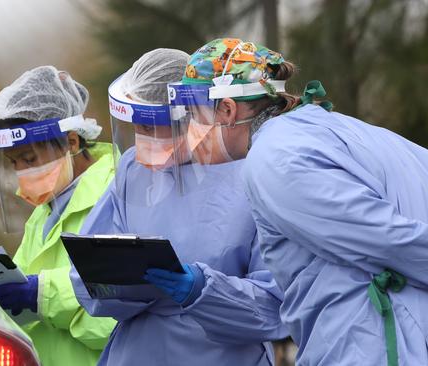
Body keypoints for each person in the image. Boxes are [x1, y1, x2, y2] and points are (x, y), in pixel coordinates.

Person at [173, 38, 428, 365]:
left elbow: (381, 235)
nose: (191, 129)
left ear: (226, 110)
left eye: (194, 114)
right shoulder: (384, 139)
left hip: (392, 348)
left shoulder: (274, 157)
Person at [69, 48, 287, 365]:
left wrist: (203, 291)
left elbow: (275, 306)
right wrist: (123, 287)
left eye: (151, 127)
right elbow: (85, 276)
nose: (142, 139)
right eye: (137, 129)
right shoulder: (132, 170)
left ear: (192, 117)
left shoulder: (251, 175)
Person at [0, 66, 117, 366]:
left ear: (72, 142)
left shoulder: (116, 193)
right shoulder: (47, 208)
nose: (23, 172)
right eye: (14, 163)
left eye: (30, 159)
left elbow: (115, 319)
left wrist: (41, 297)